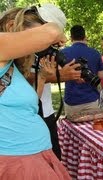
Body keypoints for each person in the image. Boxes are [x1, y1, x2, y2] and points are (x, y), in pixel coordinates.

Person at [0, 5, 70, 179]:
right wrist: (58, 33)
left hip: (33, 155)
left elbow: (28, 108)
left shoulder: (9, 65)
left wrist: (43, 78)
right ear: (11, 27)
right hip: (17, 162)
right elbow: (51, 33)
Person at [25, 4, 82, 160]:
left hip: (46, 110)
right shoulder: (21, 47)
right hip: (29, 114)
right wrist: (60, 76)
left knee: (54, 156)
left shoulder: (41, 49)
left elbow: (41, 73)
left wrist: (69, 74)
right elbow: (24, 75)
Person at [61, 25, 103, 116]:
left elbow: (57, 75)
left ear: (71, 37)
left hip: (72, 99)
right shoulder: (95, 53)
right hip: (91, 99)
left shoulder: (63, 53)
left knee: (72, 129)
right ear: (84, 36)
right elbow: (101, 75)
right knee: (92, 129)